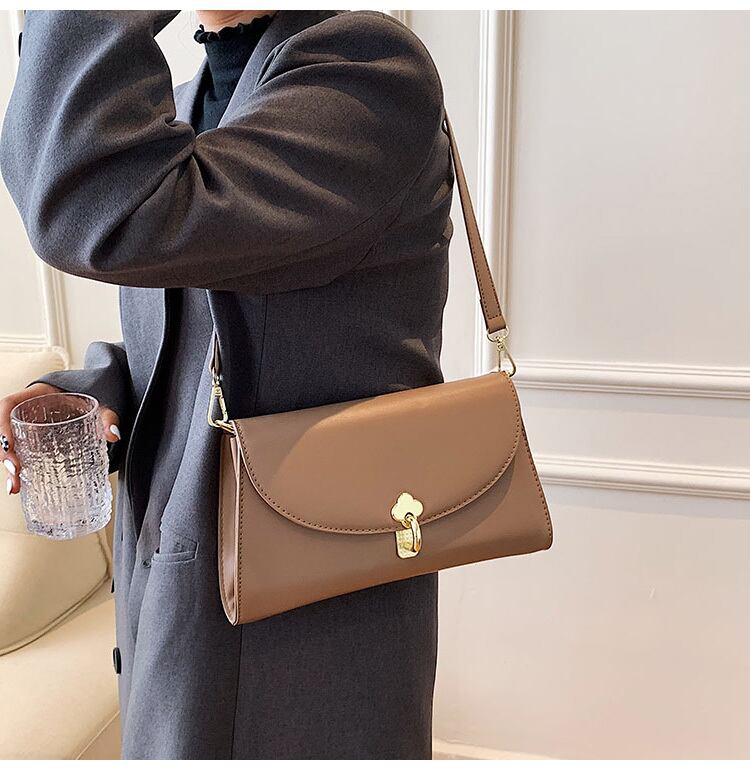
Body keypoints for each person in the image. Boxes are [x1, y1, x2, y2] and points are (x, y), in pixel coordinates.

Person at [0, 10, 454, 759]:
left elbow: (87, 206)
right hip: (180, 585)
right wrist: (97, 393)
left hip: (303, 620)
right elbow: (206, 337)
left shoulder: (365, 74)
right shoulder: (184, 100)